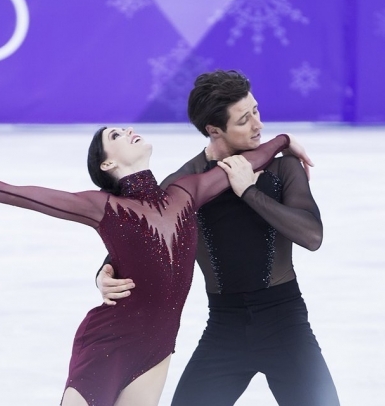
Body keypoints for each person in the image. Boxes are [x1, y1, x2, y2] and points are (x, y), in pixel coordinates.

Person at [0, 125, 293, 406]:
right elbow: (24, 196)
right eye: (116, 136)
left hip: (157, 349)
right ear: (107, 164)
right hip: (107, 342)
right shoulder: (104, 207)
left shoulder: (185, 192)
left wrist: (284, 141)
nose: (128, 131)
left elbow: (249, 160)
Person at [96, 69, 340, 406]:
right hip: (225, 331)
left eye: (256, 111)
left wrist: (250, 192)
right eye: (244, 119)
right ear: (214, 130)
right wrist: (105, 272)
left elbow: (312, 236)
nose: (258, 125)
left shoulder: (284, 169)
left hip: (286, 326)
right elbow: (138, 233)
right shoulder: (184, 185)